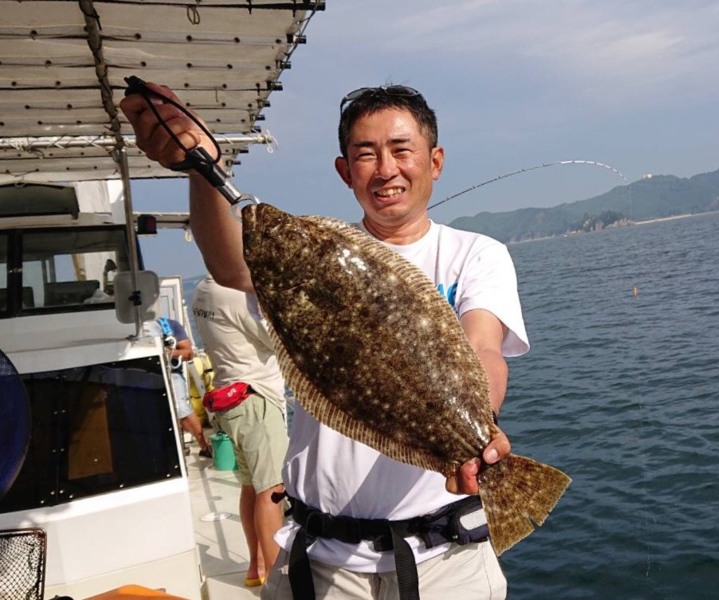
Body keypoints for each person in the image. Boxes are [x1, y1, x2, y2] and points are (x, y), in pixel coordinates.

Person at [121, 83, 528, 600]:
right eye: (366, 154)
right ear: (344, 171)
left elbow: (483, 349)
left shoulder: (476, 254)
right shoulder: (314, 260)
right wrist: (203, 170)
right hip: (321, 560)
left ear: (435, 160)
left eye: (402, 150)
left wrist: (476, 433)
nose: (386, 169)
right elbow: (231, 265)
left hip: (446, 560)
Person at [191, 275, 289, 587]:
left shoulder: (203, 290)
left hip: (228, 401)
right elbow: (277, 340)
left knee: (251, 486)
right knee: (272, 491)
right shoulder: (235, 294)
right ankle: (276, 581)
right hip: (255, 401)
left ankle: (256, 566)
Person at [158, 316, 212, 458]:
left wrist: (168, 353)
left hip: (172, 374)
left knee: (180, 406)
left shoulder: (169, 326)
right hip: (145, 377)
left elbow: (188, 353)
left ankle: (204, 445)